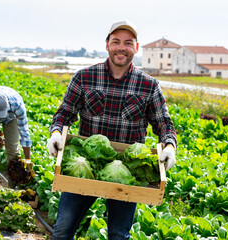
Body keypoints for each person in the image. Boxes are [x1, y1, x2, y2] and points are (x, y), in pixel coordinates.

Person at [46, 20, 177, 240]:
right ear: (107, 45)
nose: (121, 47)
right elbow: (64, 114)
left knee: (118, 234)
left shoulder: (149, 85)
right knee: (62, 230)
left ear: (136, 47)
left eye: (128, 43)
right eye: (116, 41)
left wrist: (170, 145)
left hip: (127, 170)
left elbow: (163, 123)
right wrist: (56, 132)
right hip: (86, 164)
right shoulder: (84, 77)